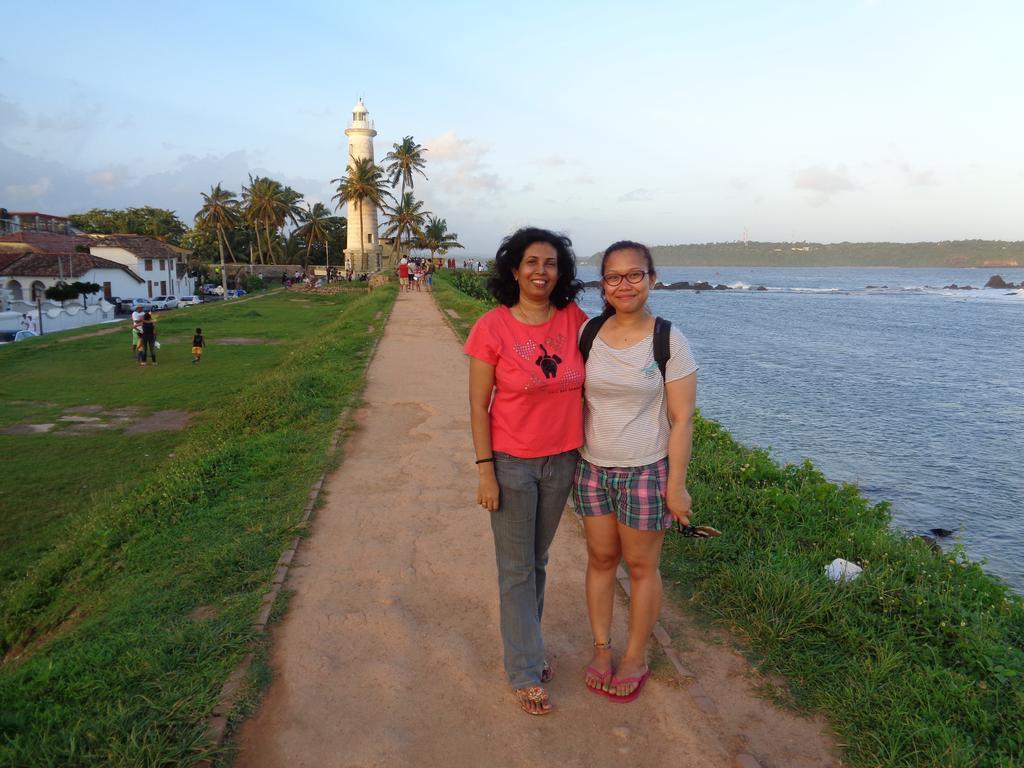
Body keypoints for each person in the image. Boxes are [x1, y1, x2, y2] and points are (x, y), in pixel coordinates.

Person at [464, 227, 587, 716]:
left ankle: (528, 648)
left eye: (551, 263)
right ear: (513, 269)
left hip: (564, 460)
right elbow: (478, 407)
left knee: (537, 561)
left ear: (562, 272)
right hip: (512, 463)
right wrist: (485, 472)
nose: (542, 271)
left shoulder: (575, 319)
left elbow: (614, 351)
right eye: (532, 262)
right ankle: (523, 668)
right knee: (515, 569)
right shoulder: (492, 327)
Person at [574, 240, 697, 703]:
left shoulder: (669, 340)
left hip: (646, 470)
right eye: (613, 277)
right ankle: (603, 648)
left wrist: (677, 486)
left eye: (634, 275)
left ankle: (636, 656)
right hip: (591, 468)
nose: (623, 284)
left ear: (651, 278)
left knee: (643, 567)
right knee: (601, 560)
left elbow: (682, 419)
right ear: (602, 284)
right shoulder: (588, 333)